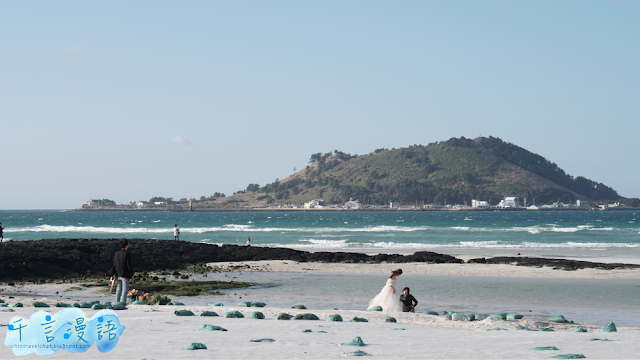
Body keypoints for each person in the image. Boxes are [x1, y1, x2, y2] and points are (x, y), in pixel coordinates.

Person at [110, 239, 134, 303]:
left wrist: (113, 274)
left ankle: (117, 302)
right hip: (125, 275)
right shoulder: (127, 254)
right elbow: (129, 265)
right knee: (125, 290)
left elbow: (114, 265)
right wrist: (132, 275)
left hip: (118, 274)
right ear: (126, 245)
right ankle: (122, 303)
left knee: (118, 290)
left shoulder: (116, 254)